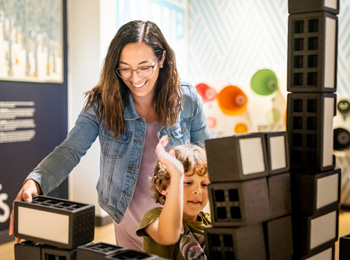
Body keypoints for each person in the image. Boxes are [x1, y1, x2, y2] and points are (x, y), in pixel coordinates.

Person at [9, 20, 210, 251]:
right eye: (125, 68)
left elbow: (207, 154)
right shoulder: (103, 102)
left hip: (177, 216)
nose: (135, 78)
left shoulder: (187, 99)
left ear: (162, 59)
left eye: (145, 67)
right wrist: (36, 181)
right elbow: (71, 149)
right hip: (127, 216)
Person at [136, 135, 211, 260]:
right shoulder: (153, 217)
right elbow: (168, 236)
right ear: (163, 186)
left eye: (204, 184)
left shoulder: (210, 222)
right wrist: (177, 173)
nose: (198, 191)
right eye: (187, 183)